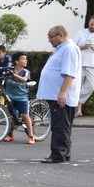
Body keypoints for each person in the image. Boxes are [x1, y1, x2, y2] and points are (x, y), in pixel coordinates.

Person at [36, 25, 81, 163]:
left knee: (60, 126)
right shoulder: (62, 48)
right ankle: (64, 153)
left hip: (61, 96)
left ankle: (58, 154)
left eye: (51, 36)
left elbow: (69, 74)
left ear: (60, 35)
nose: (49, 40)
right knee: (62, 125)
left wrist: (62, 93)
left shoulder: (69, 49)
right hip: (58, 95)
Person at [74, 14, 94, 116]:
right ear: (89, 22)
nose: (93, 26)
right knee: (78, 85)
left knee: (91, 86)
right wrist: (84, 47)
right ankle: (78, 110)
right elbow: (73, 47)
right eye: (91, 24)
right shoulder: (80, 33)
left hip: (93, 64)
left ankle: (72, 97)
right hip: (80, 63)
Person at [3, 52, 36, 145]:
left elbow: (25, 79)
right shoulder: (9, 69)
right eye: (23, 58)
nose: (26, 60)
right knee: (13, 115)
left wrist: (14, 75)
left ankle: (31, 136)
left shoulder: (25, 71)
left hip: (22, 97)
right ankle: (10, 135)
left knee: (25, 116)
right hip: (10, 96)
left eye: (26, 58)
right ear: (17, 61)